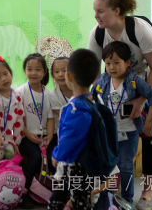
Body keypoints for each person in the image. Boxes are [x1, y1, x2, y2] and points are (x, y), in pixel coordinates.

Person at [88, 0, 152, 210]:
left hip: (151, 86)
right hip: (117, 89)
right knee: (118, 136)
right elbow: (96, 69)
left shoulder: (139, 29)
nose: (96, 16)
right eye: (95, 11)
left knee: (149, 135)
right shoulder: (97, 32)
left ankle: (148, 193)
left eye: (101, 11)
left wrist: (142, 100)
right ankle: (117, 192)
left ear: (117, 10)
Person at [92, 41, 152, 205]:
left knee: (125, 167)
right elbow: (93, 98)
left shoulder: (134, 81)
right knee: (107, 167)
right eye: (108, 63)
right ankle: (106, 200)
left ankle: (126, 201)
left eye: (116, 62)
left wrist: (149, 121)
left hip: (129, 132)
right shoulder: (103, 80)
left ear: (128, 63)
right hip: (108, 133)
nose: (112, 67)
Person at [48, 49, 100, 210]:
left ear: (69, 76)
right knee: (58, 201)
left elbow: (69, 139)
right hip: (88, 162)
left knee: (80, 203)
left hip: (78, 166)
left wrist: (56, 155)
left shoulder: (75, 109)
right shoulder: (95, 101)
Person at [16, 53, 54, 209]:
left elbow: (51, 118)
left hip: (44, 136)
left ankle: (49, 192)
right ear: (25, 71)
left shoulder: (48, 94)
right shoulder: (20, 92)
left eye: (38, 69)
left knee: (53, 159)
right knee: (36, 157)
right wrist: (26, 133)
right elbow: (17, 118)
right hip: (25, 136)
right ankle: (21, 192)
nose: (33, 73)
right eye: (29, 69)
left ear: (44, 72)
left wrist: (50, 135)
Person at [47, 56, 71, 175]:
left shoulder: (79, 90)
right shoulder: (53, 96)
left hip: (78, 133)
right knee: (53, 161)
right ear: (52, 75)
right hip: (60, 135)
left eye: (65, 70)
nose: (61, 74)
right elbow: (66, 118)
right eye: (57, 72)